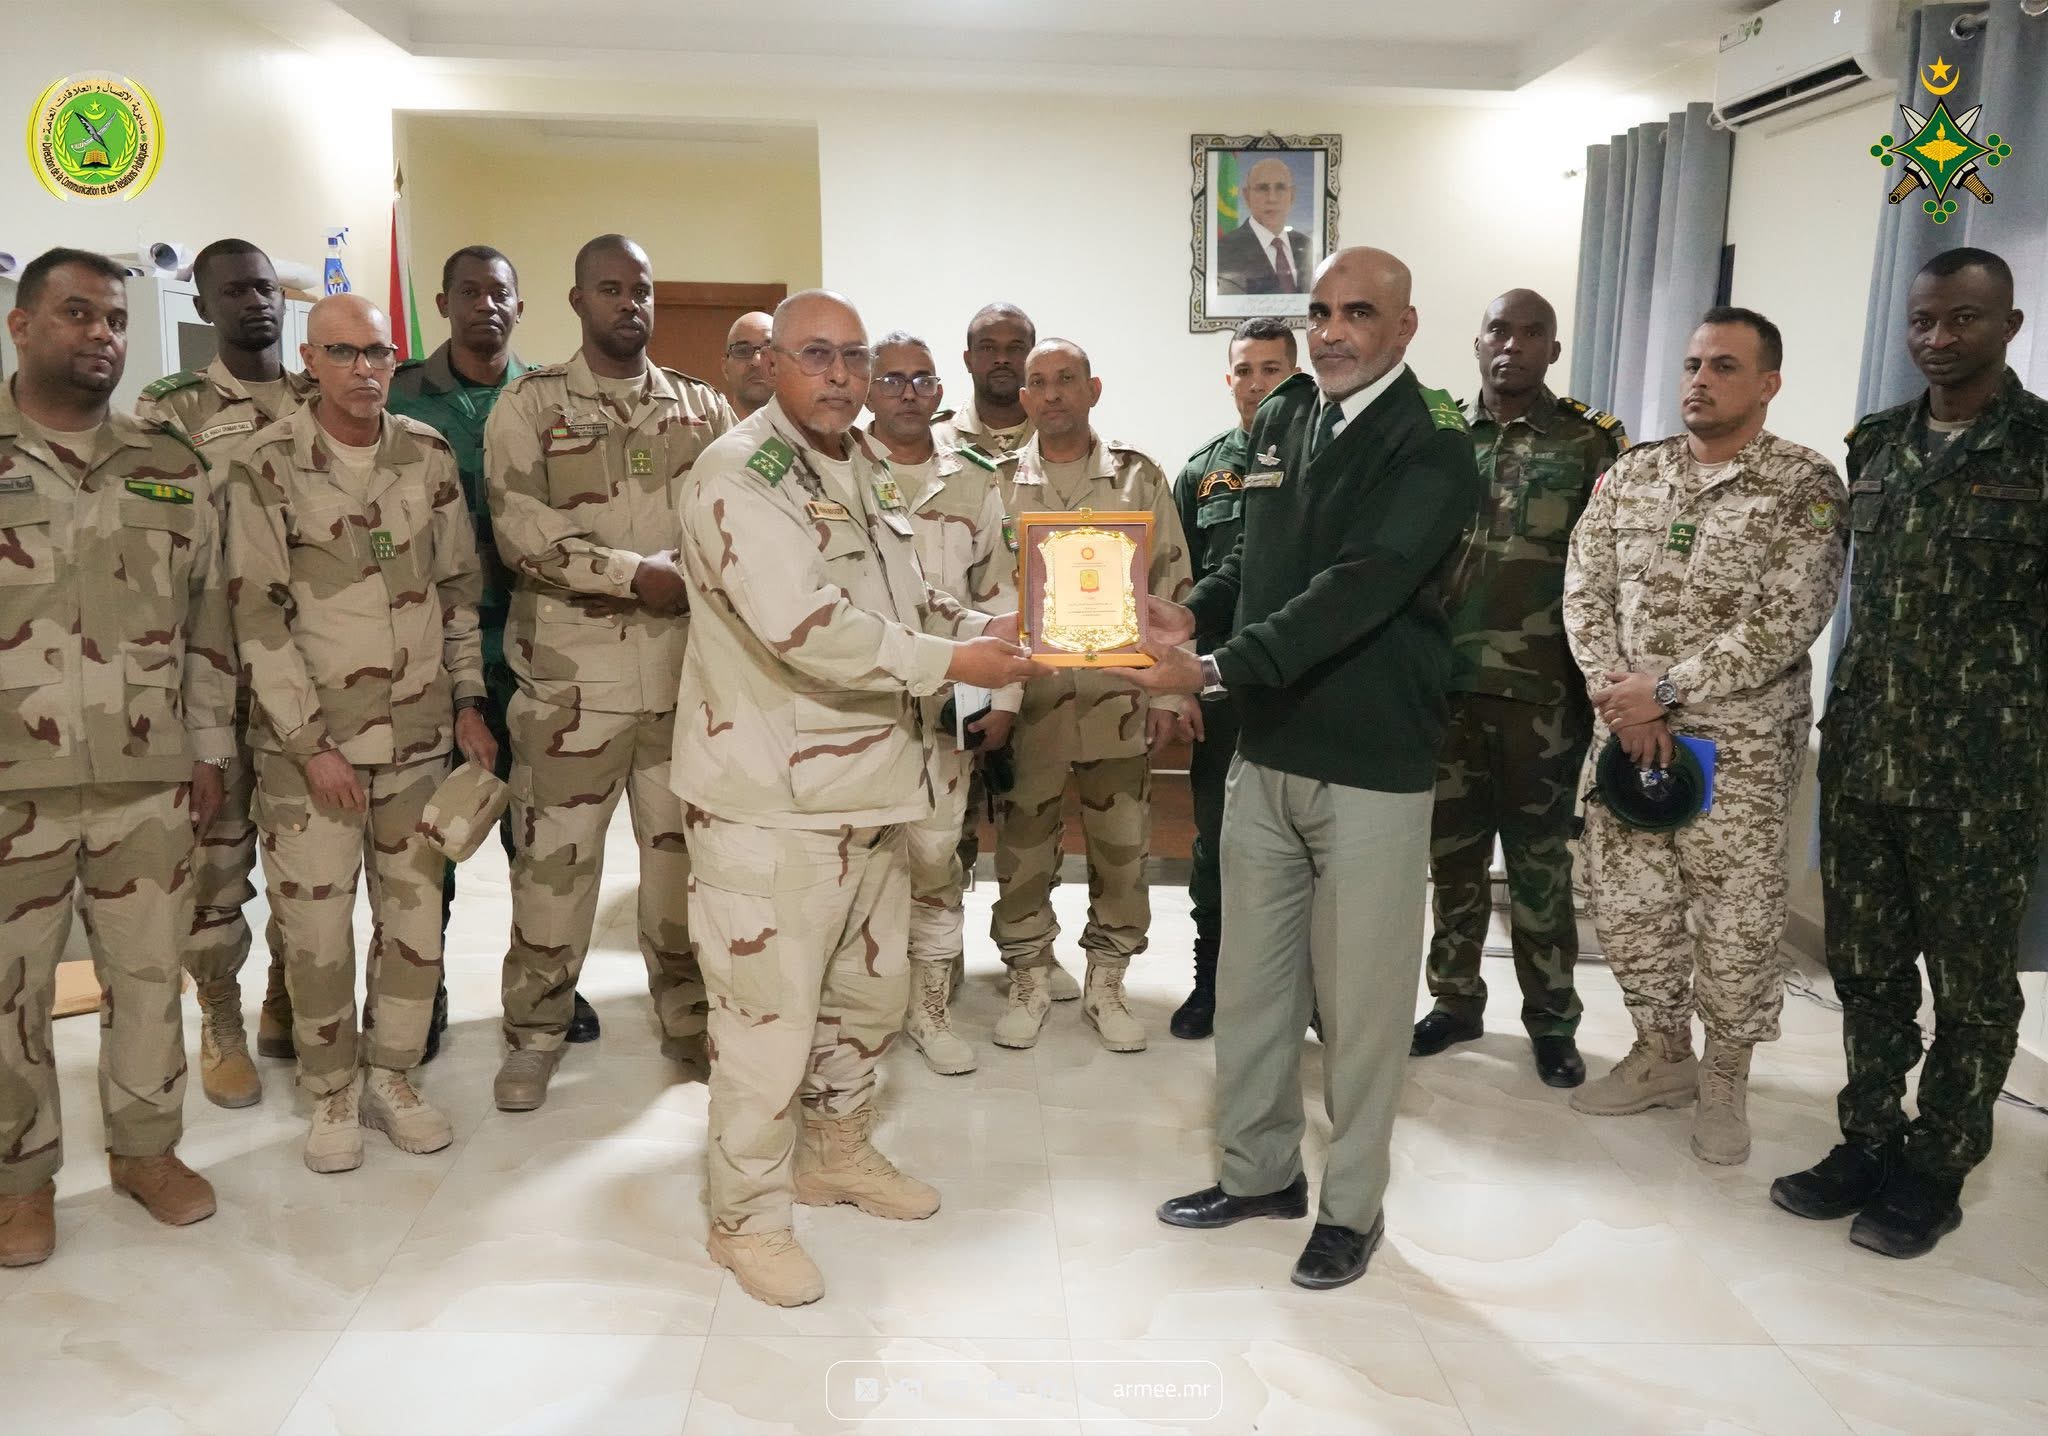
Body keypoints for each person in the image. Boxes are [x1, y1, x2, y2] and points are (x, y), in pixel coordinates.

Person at [671, 289, 1045, 1306]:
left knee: (865, 998)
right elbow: (808, 627)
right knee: (765, 1026)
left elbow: (906, 599)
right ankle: (745, 1219)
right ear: (772, 365)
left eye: (853, 357)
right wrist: (954, 659)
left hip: (873, 789)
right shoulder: (741, 474)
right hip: (772, 804)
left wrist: (994, 624)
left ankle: (833, 1153)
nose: (839, 375)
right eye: (816, 355)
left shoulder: (858, 466)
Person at [1141, 247, 1484, 1291]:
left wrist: (1212, 667)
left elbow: (1358, 586)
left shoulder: (1433, 443)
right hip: (1268, 749)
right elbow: (1259, 559)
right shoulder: (1286, 414)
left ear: (1404, 326)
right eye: (1321, 311)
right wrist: (1191, 612)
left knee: (1361, 1010)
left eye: (1358, 313)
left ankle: (1350, 1210)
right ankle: (1258, 1176)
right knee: (1252, 989)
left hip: (1369, 764)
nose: (1333, 331)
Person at [1775, 248, 2046, 1258]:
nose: (1938, 338)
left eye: (1963, 318)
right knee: (1867, 971)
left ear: (2008, 326)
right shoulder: (1877, 443)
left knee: (1971, 988)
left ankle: (1937, 1163)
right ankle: (1868, 1138)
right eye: (1923, 320)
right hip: (1864, 758)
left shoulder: (2039, 448)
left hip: (1984, 774)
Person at [1562, 307, 1847, 1166]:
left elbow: (1789, 618)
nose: (1700, 379)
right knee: (1629, 906)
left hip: (1741, 750)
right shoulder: (1633, 474)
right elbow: (1584, 589)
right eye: (1692, 363)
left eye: (1724, 365)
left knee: (1737, 920)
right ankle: (1662, 1052)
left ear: (1768, 384)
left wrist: (1665, 691)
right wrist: (1623, 697)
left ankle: (1726, 1073)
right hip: (1628, 737)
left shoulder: (1802, 484)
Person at [0, 247, 234, 1266]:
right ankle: (19, 1180)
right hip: (12, 781)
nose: (101, 334)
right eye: (77, 314)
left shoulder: (170, 463)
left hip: (148, 776)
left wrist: (210, 746)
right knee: (10, 993)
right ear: (21, 325)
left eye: (115, 319)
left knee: (146, 975)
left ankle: (147, 1150)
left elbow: (208, 621)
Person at [227, 293, 489, 1174]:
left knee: (415, 926)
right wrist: (310, 746)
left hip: (417, 744)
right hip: (312, 756)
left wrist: (467, 702)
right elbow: (257, 617)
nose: (364, 369)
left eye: (377, 352)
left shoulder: (427, 454)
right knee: (317, 931)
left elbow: (457, 591)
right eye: (343, 353)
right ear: (310, 361)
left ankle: (393, 1077)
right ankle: (331, 1089)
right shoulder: (267, 464)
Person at [484, 234, 732, 1111]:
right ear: (579, 300)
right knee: (553, 876)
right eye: (611, 289)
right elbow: (520, 529)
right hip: (570, 695)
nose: (630, 304)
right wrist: (632, 575)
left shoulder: (703, 408)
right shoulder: (529, 406)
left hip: (680, 688)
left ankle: (689, 1020)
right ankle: (535, 1033)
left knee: (680, 876)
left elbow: (736, 524)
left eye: (642, 290)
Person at [388, 245, 598, 1060]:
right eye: (469, 292)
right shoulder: (401, 395)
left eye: (499, 292)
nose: (486, 305)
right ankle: (423, 983)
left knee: (541, 829)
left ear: (521, 305)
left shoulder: (550, 396)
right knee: (430, 828)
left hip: (539, 637)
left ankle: (547, 981)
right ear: (444, 303)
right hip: (430, 641)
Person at [1413, 289, 1627, 1088]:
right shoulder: (1436, 435)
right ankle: (1454, 1002)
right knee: (1453, 859)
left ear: (1553, 350)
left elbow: (1611, 568)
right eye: (1499, 331)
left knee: (1539, 867)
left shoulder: (1591, 443)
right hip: (1445, 688)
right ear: (1477, 343)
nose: (1513, 345)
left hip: (1545, 694)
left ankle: (1552, 1021)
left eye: (1532, 333)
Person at [132, 237, 317, 1106]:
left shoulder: (321, 397)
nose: (257, 302)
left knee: (305, 850)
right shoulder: (173, 410)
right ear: (204, 309)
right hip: (213, 668)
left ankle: (287, 993)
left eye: (266, 287)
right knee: (215, 856)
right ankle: (220, 1017)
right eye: (236, 291)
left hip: (308, 667)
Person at [989, 339, 1194, 1052]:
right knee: (1022, 848)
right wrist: (993, 699)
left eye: (1066, 380)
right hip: (1032, 702)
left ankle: (1108, 980)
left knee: (1123, 850)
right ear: (1024, 398)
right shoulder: (997, 482)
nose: (1052, 394)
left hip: (1119, 699)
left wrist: (1168, 698)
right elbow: (982, 591)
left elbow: (1171, 584)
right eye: (1038, 383)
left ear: (1093, 389)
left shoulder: (1138, 477)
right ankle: (1028, 973)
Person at [864, 331, 1019, 1075]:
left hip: (944, 708)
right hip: (854, 708)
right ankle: (858, 1013)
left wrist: (1004, 696)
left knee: (935, 862)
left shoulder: (975, 479)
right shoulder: (838, 470)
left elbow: (1001, 597)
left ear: (939, 391)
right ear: (868, 389)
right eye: (892, 379)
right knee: (855, 869)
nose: (908, 393)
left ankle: (928, 1010)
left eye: (921, 380)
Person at [1166, 316, 1298, 1039]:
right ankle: (1209, 981)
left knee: (1304, 845)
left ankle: (1303, 995)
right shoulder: (1202, 472)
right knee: (1216, 838)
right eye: (1244, 370)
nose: (1256, 384)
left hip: (1301, 685)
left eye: (1271, 369)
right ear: (1229, 379)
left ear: (1295, 376)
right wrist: (1180, 685)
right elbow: (1182, 585)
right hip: (1219, 686)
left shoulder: (1318, 460)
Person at [1215, 157, 1312, 297]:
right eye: (1262, 188)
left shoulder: (1307, 246)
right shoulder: (1224, 250)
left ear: (1292, 195)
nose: (1272, 198)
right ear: (1247, 196)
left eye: (1280, 188)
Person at [720, 310, 774, 420]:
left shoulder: (806, 430)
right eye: (743, 351)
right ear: (725, 368)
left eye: (768, 349)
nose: (757, 361)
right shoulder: (710, 430)